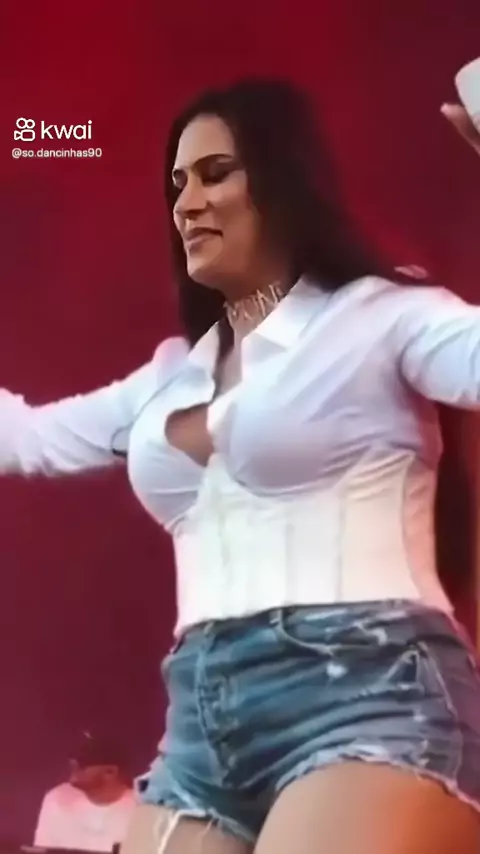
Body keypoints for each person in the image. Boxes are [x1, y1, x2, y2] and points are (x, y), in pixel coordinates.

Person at [2, 78, 480, 854]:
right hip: (200, 726)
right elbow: (22, 437)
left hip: (369, 690)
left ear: (283, 182)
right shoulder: (171, 375)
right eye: (178, 184)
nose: (187, 203)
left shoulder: (382, 316)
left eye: (216, 173)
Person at [33, 733, 136, 852]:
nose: (73, 765)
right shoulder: (56, 798)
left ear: (110, 772)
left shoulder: (142, 808)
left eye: (82, 764)